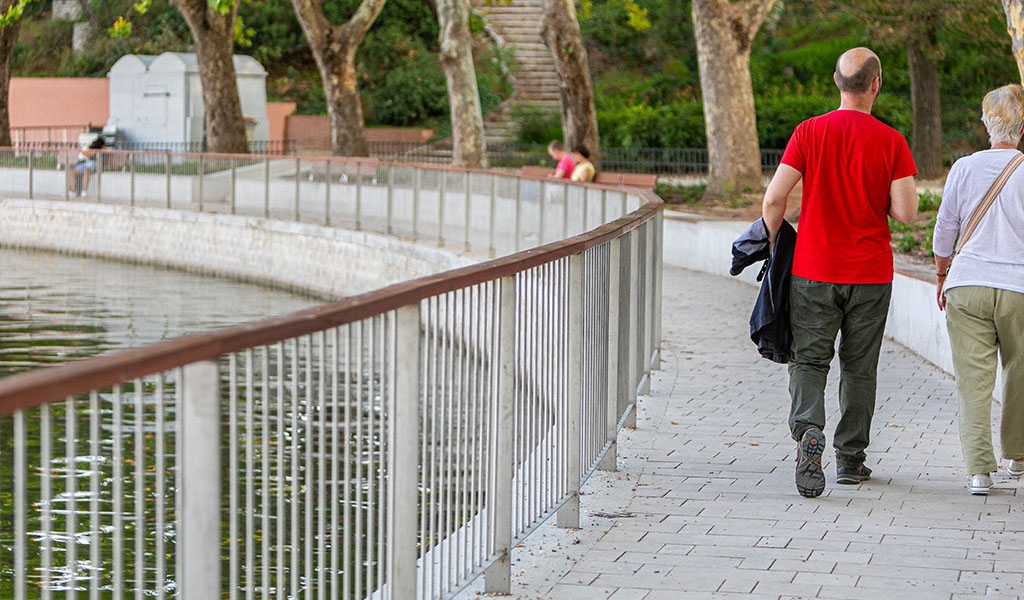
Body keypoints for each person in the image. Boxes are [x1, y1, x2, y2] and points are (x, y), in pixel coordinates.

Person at [760, 47, 918, 498]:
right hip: (870, 275)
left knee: (809, 360)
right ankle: (851, 460)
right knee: (859, 367)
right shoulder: (891, 141)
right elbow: (906, 213)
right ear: (876, 85)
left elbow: (775, 199)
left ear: (836, 81)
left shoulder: (809, 132)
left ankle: (809, 432)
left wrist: (771, 246)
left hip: (812, 272)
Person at [933, 84, 1024, 496]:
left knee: (973, 379)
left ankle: (978, 472)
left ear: (986, 124)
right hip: (1019, 287)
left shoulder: (964, 168)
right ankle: (1017, 456)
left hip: (967, 284)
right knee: (1020, 372)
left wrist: (940, 274)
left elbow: (944, 228)